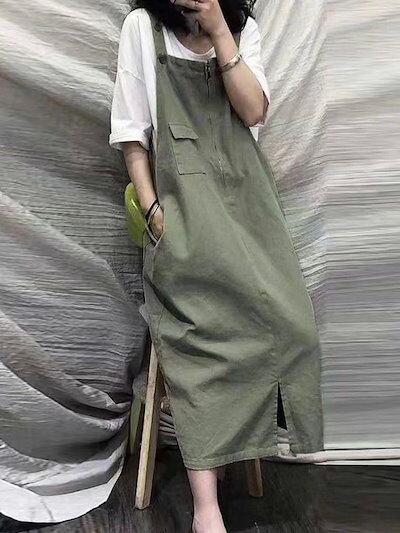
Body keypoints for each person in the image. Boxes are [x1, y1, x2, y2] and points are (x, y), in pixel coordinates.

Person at [109, 1, 324, 532]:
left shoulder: (242, 29)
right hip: (182, 217)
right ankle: (206, 506)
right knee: (201, 337)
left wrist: (220, 29)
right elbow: (132, 135)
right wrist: (155, 213)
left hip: (248, 212)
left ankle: (230, 448)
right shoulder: (143, 29)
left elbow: (253, 112)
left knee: (293, 329)